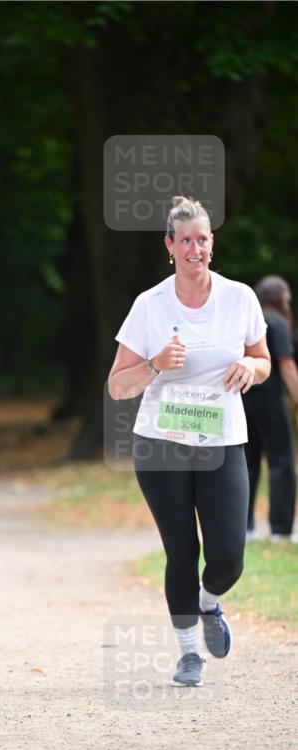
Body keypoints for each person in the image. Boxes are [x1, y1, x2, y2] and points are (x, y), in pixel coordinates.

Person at [108, 195, 270, 688]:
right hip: (161, 443)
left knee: (228, 556)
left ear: (211, 244)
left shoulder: (239, 297)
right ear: (170, 246)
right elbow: (118, 386)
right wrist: (156, 363)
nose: (194, 249)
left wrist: (251, 367)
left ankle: (208, 601)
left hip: (221, 441)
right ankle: (187, 654)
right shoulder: (149, 305)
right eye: (185, 241)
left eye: (202, 239)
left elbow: (262, 360)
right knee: (181, 550)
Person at [243, 275, 298, 541]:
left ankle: (245, 527)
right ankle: (281, 529)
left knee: (247, 461)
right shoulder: (278, 322)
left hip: (243, 397)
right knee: (282, 461)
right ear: (280, 297)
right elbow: (286, 364)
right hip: (270, 398)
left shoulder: (250, 319)